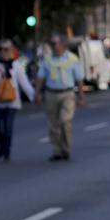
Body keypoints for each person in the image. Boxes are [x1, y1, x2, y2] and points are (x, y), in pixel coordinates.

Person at [0, 39, 36, 162]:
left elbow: (24, 83)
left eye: (6, 49)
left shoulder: (16, 65)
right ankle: (2, 144)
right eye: (0, 49)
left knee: (8, 127)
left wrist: (34, 96)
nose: (3, 52)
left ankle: (6, 151)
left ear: (11, 50)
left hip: (12, 102)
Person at [35, 33, 84, 162]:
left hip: (67, 93)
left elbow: (79, 79)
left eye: (56, 43)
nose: (54, 46)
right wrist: (37, 93)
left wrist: (81, 96)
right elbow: (40, 77)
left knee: (65, 121)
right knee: (53, 124)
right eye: (52, 44)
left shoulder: (72, 59)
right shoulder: (47, 59)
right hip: (51, 94)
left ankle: (66, 149)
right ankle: (56, 150)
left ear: (63, 45)